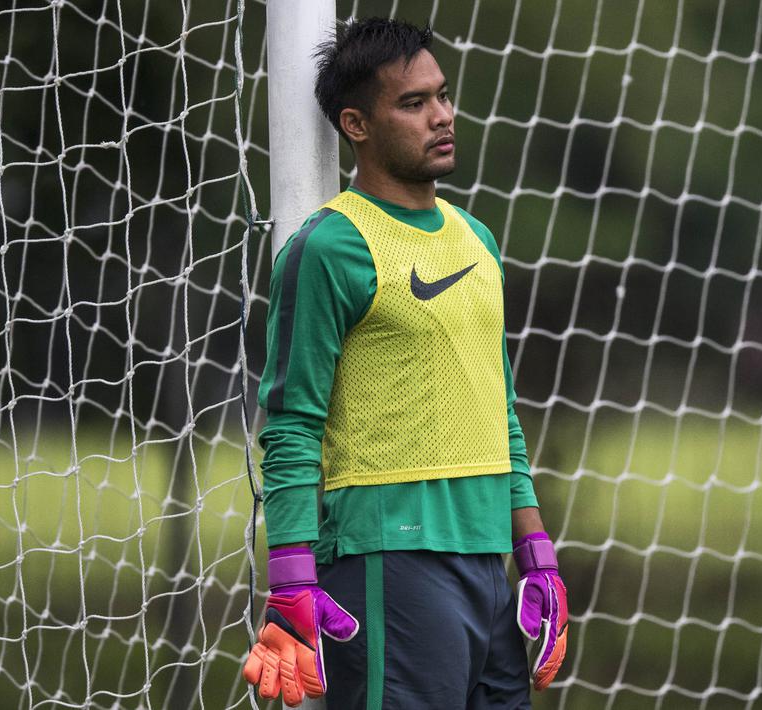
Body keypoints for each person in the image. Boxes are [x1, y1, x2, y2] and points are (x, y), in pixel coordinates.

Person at [242, 17, 568, 709]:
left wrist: (536, 555)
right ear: (356, 125)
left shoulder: (475, 238)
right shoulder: (331, 247)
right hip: (390, 561)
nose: (442, 115)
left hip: (489, 566)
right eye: (413, 103)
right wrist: (291, 579)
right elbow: (292, 423)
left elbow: (497, 407)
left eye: (442, 95)